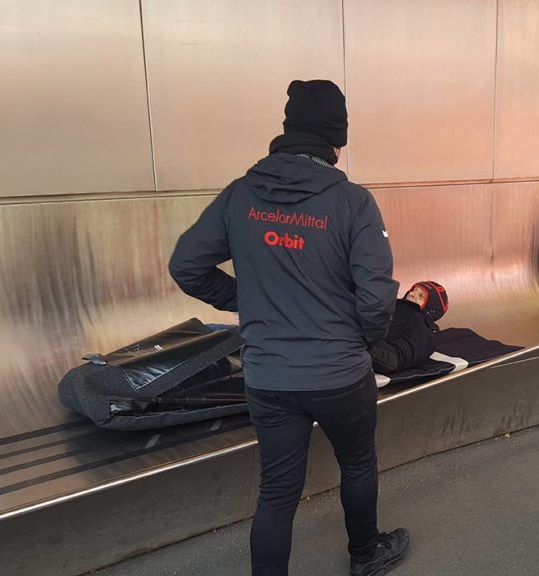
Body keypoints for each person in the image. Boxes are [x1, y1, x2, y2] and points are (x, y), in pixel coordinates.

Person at [168, 79, 409, 576]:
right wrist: (364, 341)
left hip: (269, 378)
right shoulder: (353, 203)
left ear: (288, 130)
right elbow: (378, 296)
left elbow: (186, 265)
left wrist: (247, 302)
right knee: (358, 463)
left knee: (278, 490)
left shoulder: (240, 195)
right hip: (339, 373)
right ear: (336, 139)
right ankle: (365, 555)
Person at [370, 281, 449, 374]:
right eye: (413, 290)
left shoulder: (424, 333)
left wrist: (359, 343)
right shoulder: (389, 306)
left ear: (431, 308)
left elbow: (394, 359)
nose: (412, 293)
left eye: (421, 296)